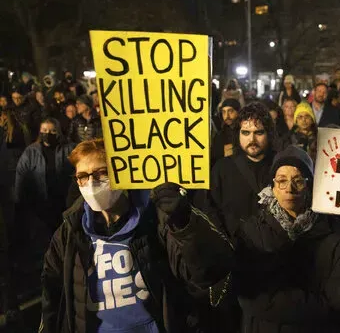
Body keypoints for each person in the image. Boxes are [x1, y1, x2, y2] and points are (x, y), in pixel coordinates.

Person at [40, 139, 234, 332]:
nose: (91, 183)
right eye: (82, 176)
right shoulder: (70, 230)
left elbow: (208, 272)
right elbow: (52, 295)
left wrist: (184, 223)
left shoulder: (156, 219)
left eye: (101, 173)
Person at [233, 145, 340, 332]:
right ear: (272, 186)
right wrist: (323, 306)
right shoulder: (251, 230)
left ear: (310, 185)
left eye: (298, 181)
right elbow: (253, 298)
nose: (289, 188)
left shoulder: (337, 231)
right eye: (282, 180)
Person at [208, 102, 277, 238]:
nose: (252, 139)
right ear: (238, 134)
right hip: (233, 251)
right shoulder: (222, 169)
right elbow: (210, 211)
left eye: (259, 132)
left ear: (268, 134)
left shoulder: (280, 167)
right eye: (246, 133)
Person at [15, 118, 75, 234]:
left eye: (52, 131)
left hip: (63, 201)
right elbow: (21, 175)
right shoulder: (31, 151)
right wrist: (19, 200)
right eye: (45, 130)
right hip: (40, 201)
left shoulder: (69, 149)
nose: (48, 134)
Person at [211, 98, 241, 166]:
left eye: (230, 111)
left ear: (238, 112)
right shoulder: (220, 135)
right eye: (224, 112)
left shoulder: (245, 132)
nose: (227, 116)